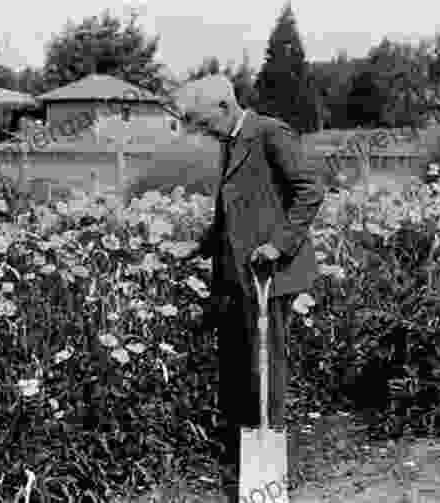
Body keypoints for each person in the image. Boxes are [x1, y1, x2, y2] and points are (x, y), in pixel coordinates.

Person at [174, 75, 324, 502]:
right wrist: (200, 247)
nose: (202, 132)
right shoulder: (231, 142)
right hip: (238, 276)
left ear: (224, 106)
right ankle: (245, 456)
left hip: (270, 277)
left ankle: (270, 466)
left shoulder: (270, 134)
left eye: (204, 123)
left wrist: (279, 244)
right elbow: (228, 213)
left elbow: (310, 190)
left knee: (268, 369)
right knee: (243, 367)